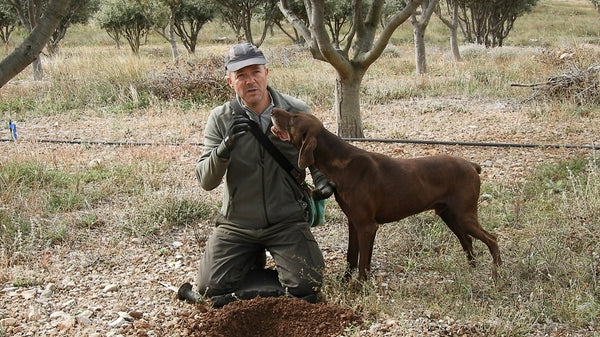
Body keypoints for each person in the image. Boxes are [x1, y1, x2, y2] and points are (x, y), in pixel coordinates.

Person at [194, 43, 334, 306]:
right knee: (208, 287)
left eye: (255, 72)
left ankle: (255, 270)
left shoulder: (295, 109)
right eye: (241, 76)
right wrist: (225, 147)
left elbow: (316, 154)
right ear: (230, 81)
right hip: (237, 223)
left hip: (286, 219)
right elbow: (205, 180)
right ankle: (251, 256)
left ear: (267, 73)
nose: (250, 81)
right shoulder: (220, 118)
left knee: (308, 284)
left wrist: (323, 180)